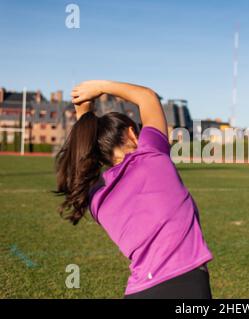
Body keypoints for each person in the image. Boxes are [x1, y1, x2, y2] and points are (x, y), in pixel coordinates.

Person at [54, 80, 213, 299]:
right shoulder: (151, 155)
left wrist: (84, 112)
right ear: (132, 134)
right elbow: (147, 97)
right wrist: (99, 87)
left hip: (138, 291)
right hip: (185, 282)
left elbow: (82, 158)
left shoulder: (95, 197)